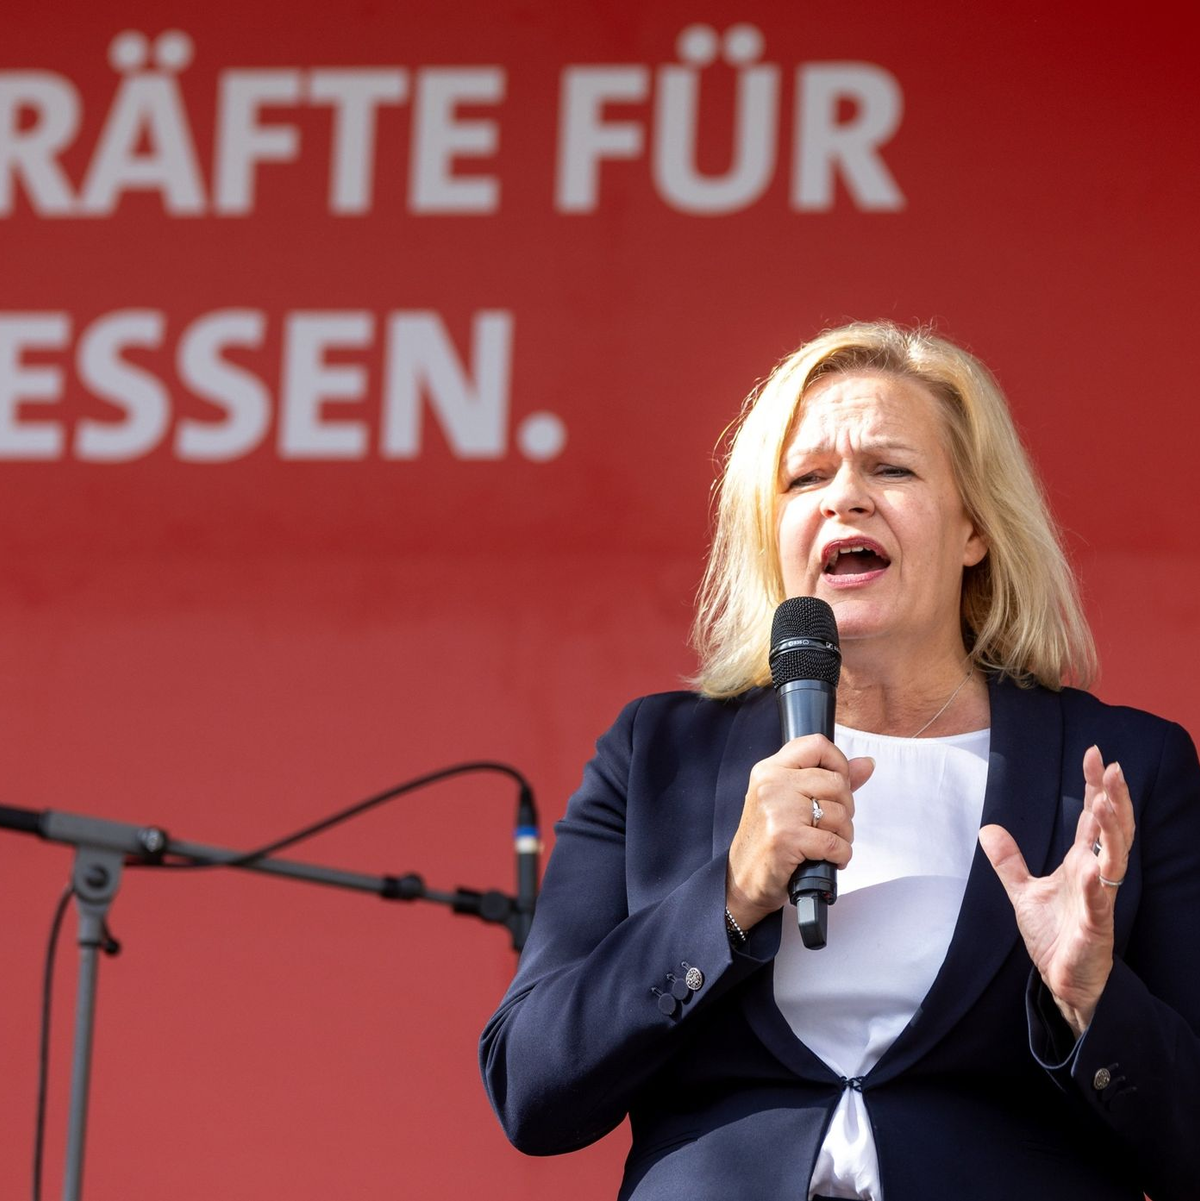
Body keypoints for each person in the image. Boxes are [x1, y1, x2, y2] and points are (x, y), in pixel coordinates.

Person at [479, 322, 1200, 1200]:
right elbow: (531, 1087)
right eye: (806, 478)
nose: (844, 499)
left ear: (975, 527)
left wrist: (1093, 999)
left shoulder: (1124, 767)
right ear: (772, 531)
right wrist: (732, 893)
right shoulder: (656, 754)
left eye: (890, 468)